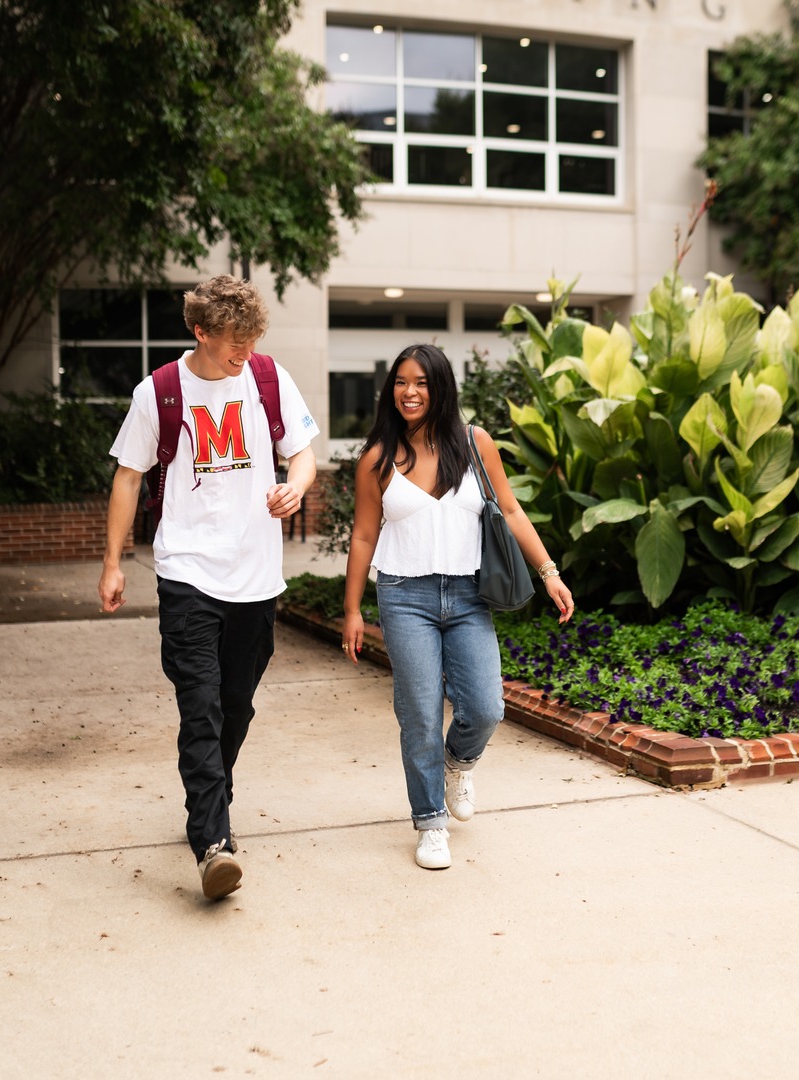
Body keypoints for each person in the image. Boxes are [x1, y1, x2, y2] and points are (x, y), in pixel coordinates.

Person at [98, 275, 319, 900]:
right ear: (201, 331)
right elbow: (128, 477)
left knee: (236, 705)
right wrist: (113, 562)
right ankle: (213, 845)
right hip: (187, 572)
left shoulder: (268, 379)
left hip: (255, 578)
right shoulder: (160, 392)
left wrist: (296, 486)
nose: (244, 352)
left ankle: (209, 796)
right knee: (200, 703)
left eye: (252, 340)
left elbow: (300, 451)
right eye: (233, 342)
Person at [340, 343, 573, 870]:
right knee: (419, 714)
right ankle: (429, 823)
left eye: (421, 382)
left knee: (487, 706)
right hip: (405, 596)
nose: (410, 392)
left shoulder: (475, 444)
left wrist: (549, 572)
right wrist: (353, 609)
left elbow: (510, 510)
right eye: (401, 382)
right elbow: (362, 536)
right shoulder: (378, 458)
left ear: (441, 387)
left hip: (470, 596)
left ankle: (458, 762)